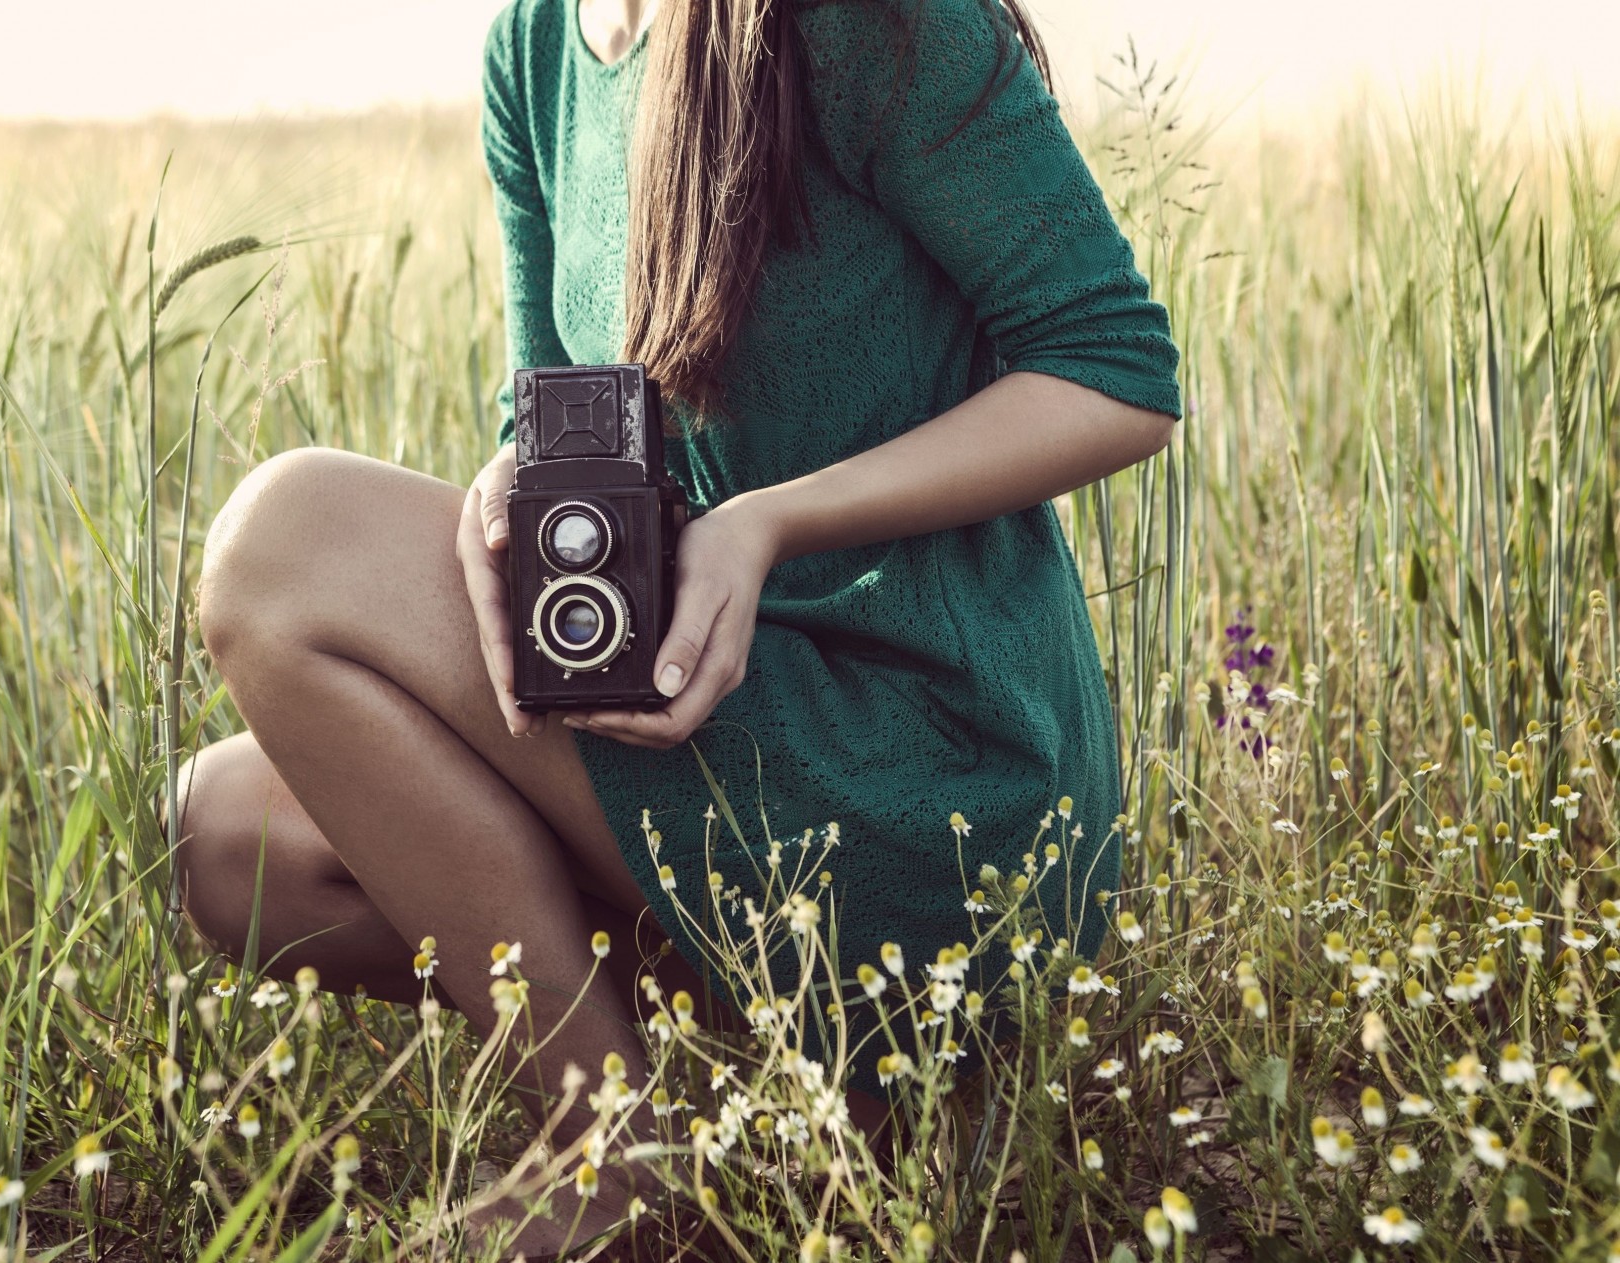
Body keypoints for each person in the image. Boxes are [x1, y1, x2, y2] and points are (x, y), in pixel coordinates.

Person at [174, 0, 1182, 1253]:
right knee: (234, 835)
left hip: (931, 748)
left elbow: (1115, 369)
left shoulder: (865, 22)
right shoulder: (534, 47)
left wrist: (766, 526)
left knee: (286, 539)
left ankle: (611, 1170)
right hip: (697, 699)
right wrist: (512, 491)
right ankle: (788, 1107)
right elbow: (555, 404)